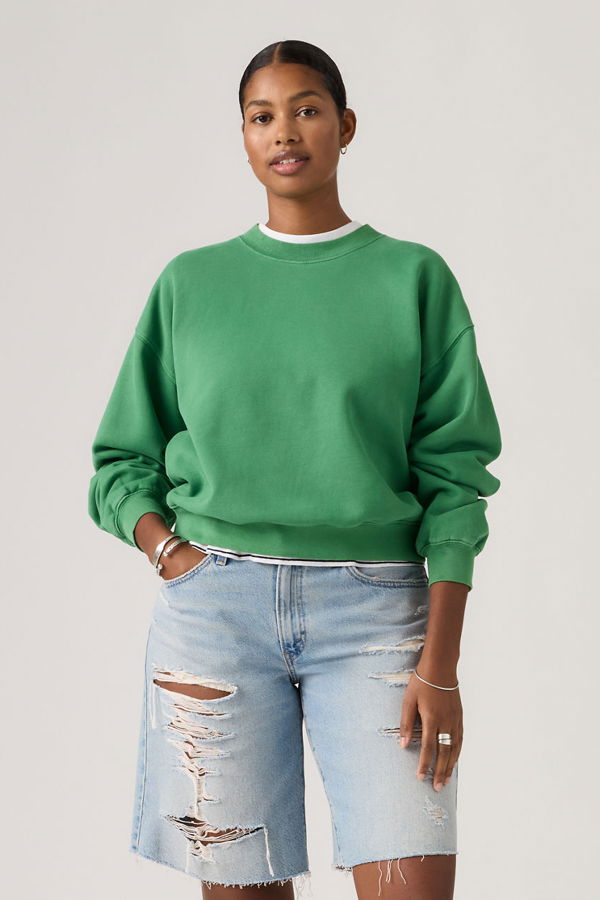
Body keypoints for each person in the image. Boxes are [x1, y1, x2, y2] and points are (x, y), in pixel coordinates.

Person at [87, 39, 502, 900]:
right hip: (216, 615)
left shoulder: (412, 279)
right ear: (243, 136)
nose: (285, 131)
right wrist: (168, 551)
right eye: (262, 115)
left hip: (377, 610)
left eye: (307, 109)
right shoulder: (191, 284)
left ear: (345, 126)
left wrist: (441, 663)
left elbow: (455, 477)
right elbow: (121, 457)